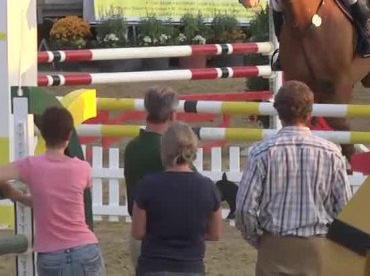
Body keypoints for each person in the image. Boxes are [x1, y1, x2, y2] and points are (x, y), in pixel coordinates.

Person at [235, 80, 352, 276]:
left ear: (279, 114)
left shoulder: (261, 152)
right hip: (317, 246)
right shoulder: (331, 153)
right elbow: (345, 207)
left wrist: (255, 238)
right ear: (310, 112)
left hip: (275, 245)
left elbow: (245, 207)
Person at [0, 106, 105, 275]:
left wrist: (11, 192)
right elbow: (59, 200)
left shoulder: (31, 166)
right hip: (85, 248)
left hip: (51, 254)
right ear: (69, 135)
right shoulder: (82, 169)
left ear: (42, 134)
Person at [132, 121, 222, 276]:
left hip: (153, 265)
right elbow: (215, 234)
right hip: (191, 266)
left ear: (164, 150)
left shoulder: (147, 185)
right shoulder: (208, 187)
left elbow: (138, 232)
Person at [124, 86, 178, 268]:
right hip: (166, 238)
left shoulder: (132, 147)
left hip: (138, 231)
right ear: (172, 114)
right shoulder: (170, 151)